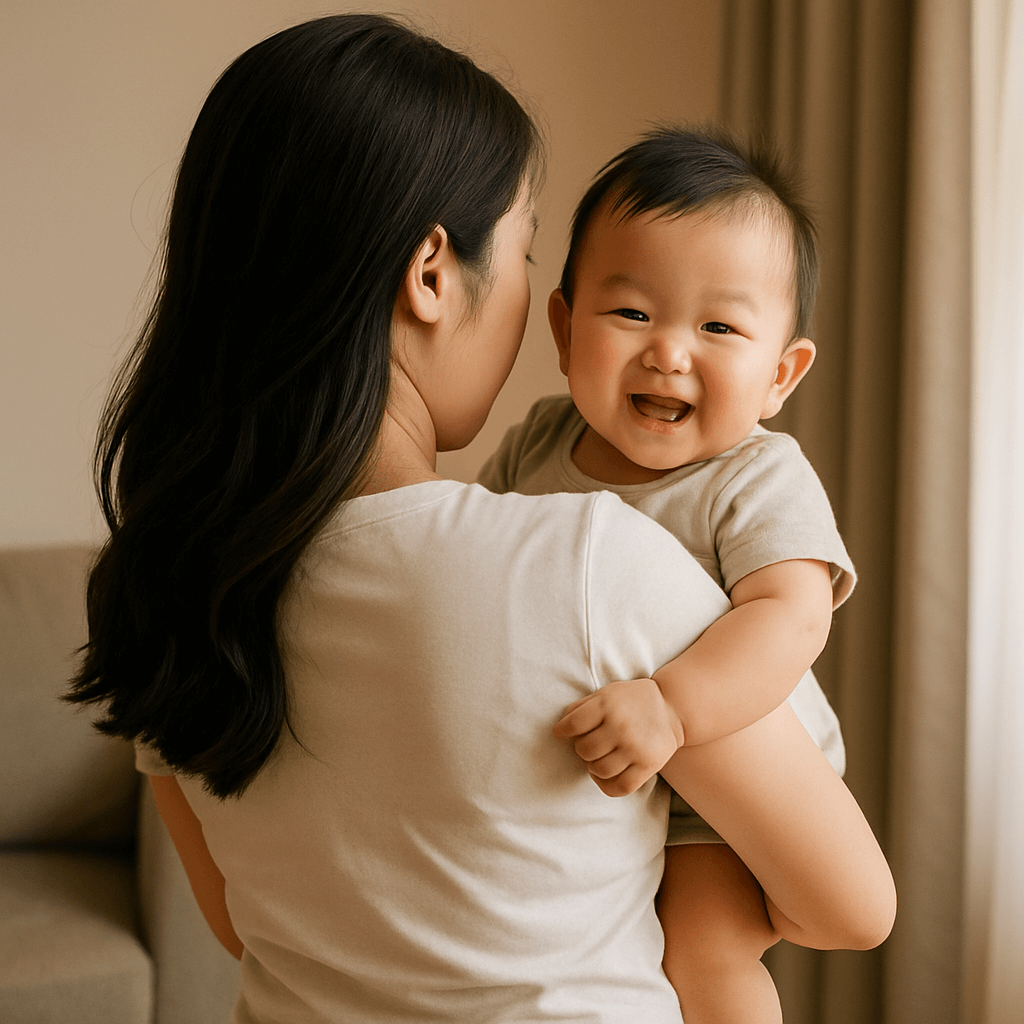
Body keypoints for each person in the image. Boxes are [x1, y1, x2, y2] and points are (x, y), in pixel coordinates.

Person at [65, 18, 894, 1024]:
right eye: (525, 250)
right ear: (429, 273)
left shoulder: (158, 584)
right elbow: (852, 906)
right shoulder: (591, 564)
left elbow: (241, 923)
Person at [479, 126, 870, 1023]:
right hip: (590, 773)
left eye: (719, 326)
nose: (669, 351)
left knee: (703, 953)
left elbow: (792, 613)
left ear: (781, 373)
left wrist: (675, 706)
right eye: (632, 313)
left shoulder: (755, 474)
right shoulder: (535, 444)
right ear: (564, 326)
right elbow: (471, 560)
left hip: (724, 783)